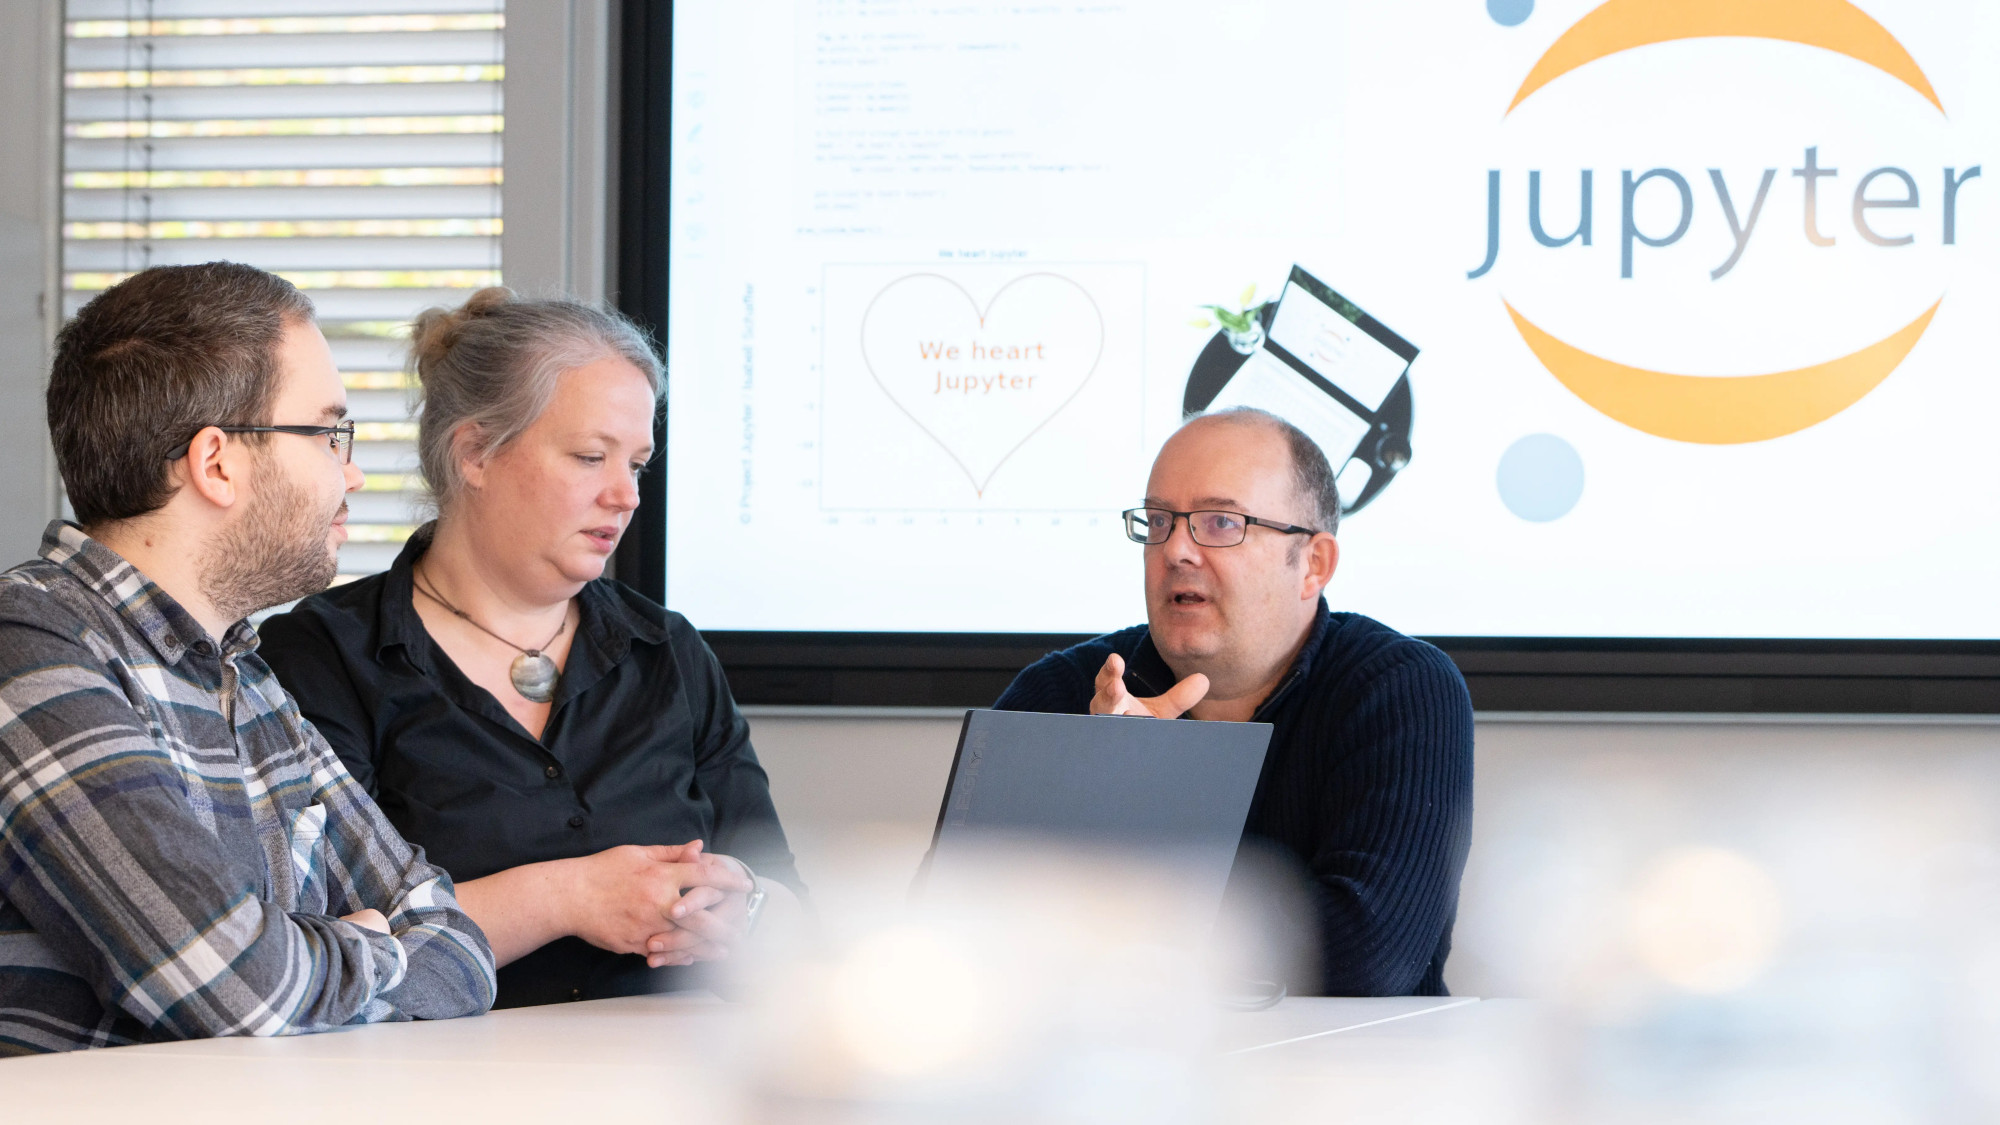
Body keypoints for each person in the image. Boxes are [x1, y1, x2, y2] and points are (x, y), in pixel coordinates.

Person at [0, 263, 496, 1055]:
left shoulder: (247, 678)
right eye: (330, 432)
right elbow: (223, 981)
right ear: (217, 462)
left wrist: (312, 952)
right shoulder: (29, 645)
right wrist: (366, 948)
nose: (354, 471)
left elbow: (457, 942)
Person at [258, 288, 803, 1008]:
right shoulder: (321, 658)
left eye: (636, 464)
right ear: (476, 452)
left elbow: (796, 916)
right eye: (589, 456)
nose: (626, 495)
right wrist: (568, 896)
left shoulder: (668, 653)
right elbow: (313, 943)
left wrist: (749, 906)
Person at [993, 408, 1474, 996]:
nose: (1175, 551)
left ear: (1313, 565)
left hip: (1343, 1079)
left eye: (1220, 522)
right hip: (1115, 1077)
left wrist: (1138, 838)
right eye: (1159, 521)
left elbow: (1364, 958)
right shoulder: (1060, 695)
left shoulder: (1400, 690)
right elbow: (952, 935)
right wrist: (1102, 783)